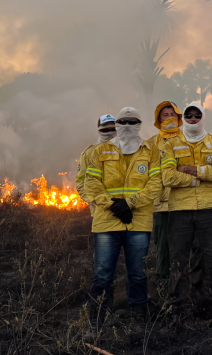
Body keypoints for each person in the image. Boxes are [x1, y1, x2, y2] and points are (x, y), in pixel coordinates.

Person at [84, 107, 161, 321]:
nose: (127, 126)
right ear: (117, 124)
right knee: (102, 274)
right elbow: (91, 183)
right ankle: (99, 317)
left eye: (132, 121)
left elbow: (156, 184)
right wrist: (113, 206)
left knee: (137, 273)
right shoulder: (101, 151)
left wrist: (130, 204)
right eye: (123, 121)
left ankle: (138, 316)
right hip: (106, 222)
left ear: (139, 124)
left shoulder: (151, 151)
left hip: (138, 222)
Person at [161, 102, 212, 319]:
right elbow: (167, 176)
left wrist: (192, 170)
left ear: (203, 117)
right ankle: (176, 310)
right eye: (189, 115)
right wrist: (198, 179)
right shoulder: (171, 143)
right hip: (180, 211)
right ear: (184, 119)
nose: (192, 119)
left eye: (196, 115)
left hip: (209, 211)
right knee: (178, 263)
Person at [147, 101, 183, 292]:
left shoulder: (188, 139)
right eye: (165, 115)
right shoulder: (151, 144)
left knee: (187, 245)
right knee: (162, 246)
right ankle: (162, 284)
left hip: (184, 202)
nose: (169, 118)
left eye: (173, 114)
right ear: (158, 119)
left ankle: (185, 284)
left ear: (179, 118)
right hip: (161, 204)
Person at [76, 114, 116, 217]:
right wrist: (95, 201)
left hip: (126, 215)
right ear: (99, 130)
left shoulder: (128, 151)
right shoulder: (88, 154)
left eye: (113, 129)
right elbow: (81, 182)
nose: (109, 132)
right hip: (100, 215)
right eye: (105, 130)